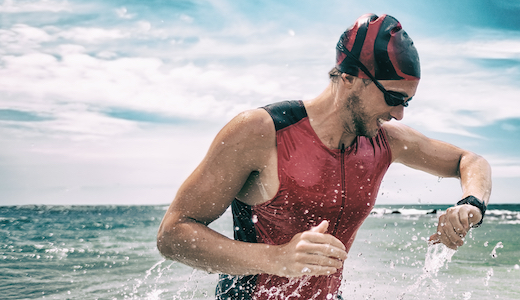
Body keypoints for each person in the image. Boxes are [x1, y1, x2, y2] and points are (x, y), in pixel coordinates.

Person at [156, 13, 492, 300]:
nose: (399, 114)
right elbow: (172, 235)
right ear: (349, 78)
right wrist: (277, 259)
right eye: (392, 97)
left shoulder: (385, 141)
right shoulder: (261, 131)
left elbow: (471, 162)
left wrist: (471, 204)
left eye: (407, 102)